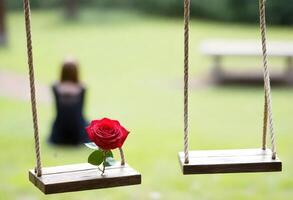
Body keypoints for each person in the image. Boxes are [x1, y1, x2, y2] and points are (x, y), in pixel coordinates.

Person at [49, 57, 89, 145]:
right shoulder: (82, 88)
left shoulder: (55, 87)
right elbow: (81, 110)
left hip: (60, 130)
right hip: (77, 131)